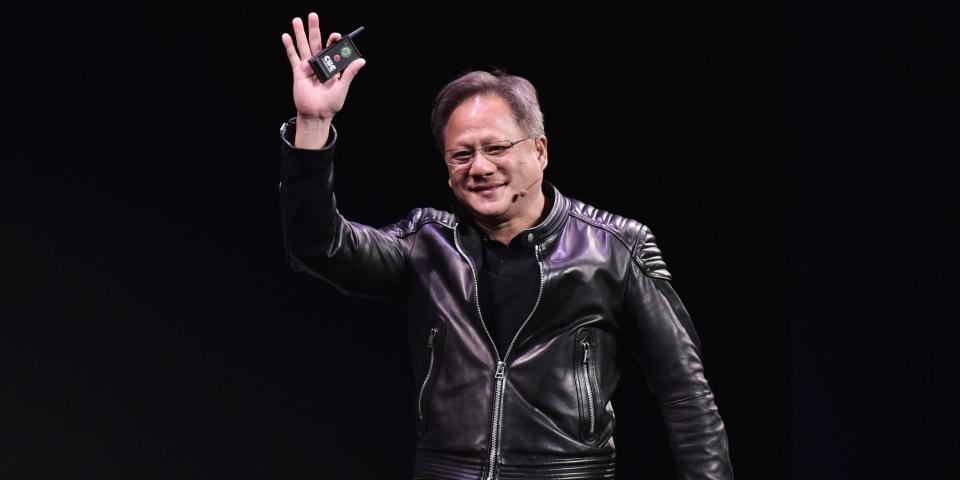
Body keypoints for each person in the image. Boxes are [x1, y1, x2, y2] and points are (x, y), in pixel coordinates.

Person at [278, 12, 734, 480]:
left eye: (496, 148)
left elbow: (686, 396)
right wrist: (313, 123)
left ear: (540, 150)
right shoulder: (426, 245)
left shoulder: (616, 248)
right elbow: (319, 246)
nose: (479, 167)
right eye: (462, 154)